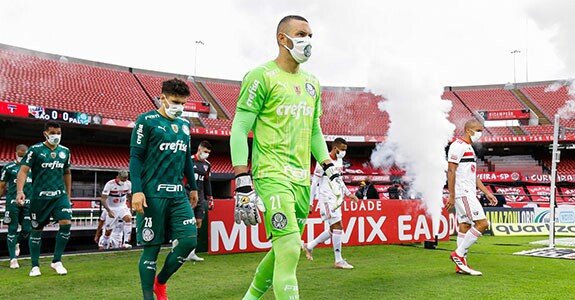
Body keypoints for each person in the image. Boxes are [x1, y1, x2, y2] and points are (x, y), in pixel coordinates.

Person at [231, 15, 347, 300]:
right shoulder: (261, 76)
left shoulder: (312, 83)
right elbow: (240, 127)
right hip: (271, 175)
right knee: (292, 248)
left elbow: (315, 132)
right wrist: (241, 179)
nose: (307, 41)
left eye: (310, 36)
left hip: (301, 181)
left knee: (284, 248)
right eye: (301, 34)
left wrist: (330, 168)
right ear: (282, 39)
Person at [130, 78, 199, 300]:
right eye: (175, 102)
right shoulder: (146, 121)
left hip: (178, 194)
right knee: (152, 248)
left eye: (183, 103)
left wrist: (194, 187)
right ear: (162, 98)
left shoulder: (185, 126)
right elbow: (136, 157)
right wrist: (137, 191)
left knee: (189, 241)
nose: (179, 107)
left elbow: (186, 158)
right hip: (152, 194)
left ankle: (160, 283)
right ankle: (149, 297)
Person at [16, 122, 72, 276]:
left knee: (66, 223)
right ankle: (35, 265)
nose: (56, 136)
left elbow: (67, 173)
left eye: (58, 132)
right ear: (45, 134)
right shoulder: (35, 150)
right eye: (53, 132)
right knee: (36, 230)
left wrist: (68, 195)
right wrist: (20, 191)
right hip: (39, 197)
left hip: (59, 196)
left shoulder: (65, 151)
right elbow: (23, 170)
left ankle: (57, 261)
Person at [445, 119, 497, 276]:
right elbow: (451, 171)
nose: (480, 134)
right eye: (478, 130)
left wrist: (486, 192)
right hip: (463, 193)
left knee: (465, 226)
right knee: (482, 223)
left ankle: (460, 265)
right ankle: (458, 255)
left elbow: (473, 176)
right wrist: (452, 195)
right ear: (468, 130)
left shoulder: (469, 148)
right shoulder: (458, 146)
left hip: (467, 192)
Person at [304, 138, 359, 269]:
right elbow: (314, 183)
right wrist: (311, 203)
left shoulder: (339, 161)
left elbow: (339, 180)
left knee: (334, 229)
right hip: (326, 198)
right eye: (342, 150)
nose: (344, 153)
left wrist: (348, 193)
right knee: (338, 227)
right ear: (335, 148)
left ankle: (310, 246)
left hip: (336, 198)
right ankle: (338, 260)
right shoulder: (323, 161)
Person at [0, 144, 32, 269]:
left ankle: (16, 242)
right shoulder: (9, 168)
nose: (21, 158)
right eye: (20, 155)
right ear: (15, 153)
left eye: (24, 156)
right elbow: (2, 185)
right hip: (13, 202)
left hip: (28, 203)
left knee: (27, 230)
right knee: (12, 228)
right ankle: (13, 259)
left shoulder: (32, 169)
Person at [186, 140, 213, 262]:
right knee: (187, 223)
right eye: (205, 151)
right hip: (188, 195)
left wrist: (210, 197)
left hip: (201, 197)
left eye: (208, 152)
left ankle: (191, 253)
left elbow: (207, 182)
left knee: (198, 223)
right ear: (199, 149)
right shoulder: (189, 161)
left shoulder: (207, 165)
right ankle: (179, 249)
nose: (206, 154)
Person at [99, 170, 133, 249]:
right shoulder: (110, 184)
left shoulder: (128, 184)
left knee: (128, 218)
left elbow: (129, 196)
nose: (123, 182)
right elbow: (103, 199)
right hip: (112, 208)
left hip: (122, 207)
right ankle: (105, 246)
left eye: (125, 180)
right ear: (118, 177)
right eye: (122, 180)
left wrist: (131, 208)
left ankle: (126, 242)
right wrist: (109, 210)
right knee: (108, 231)